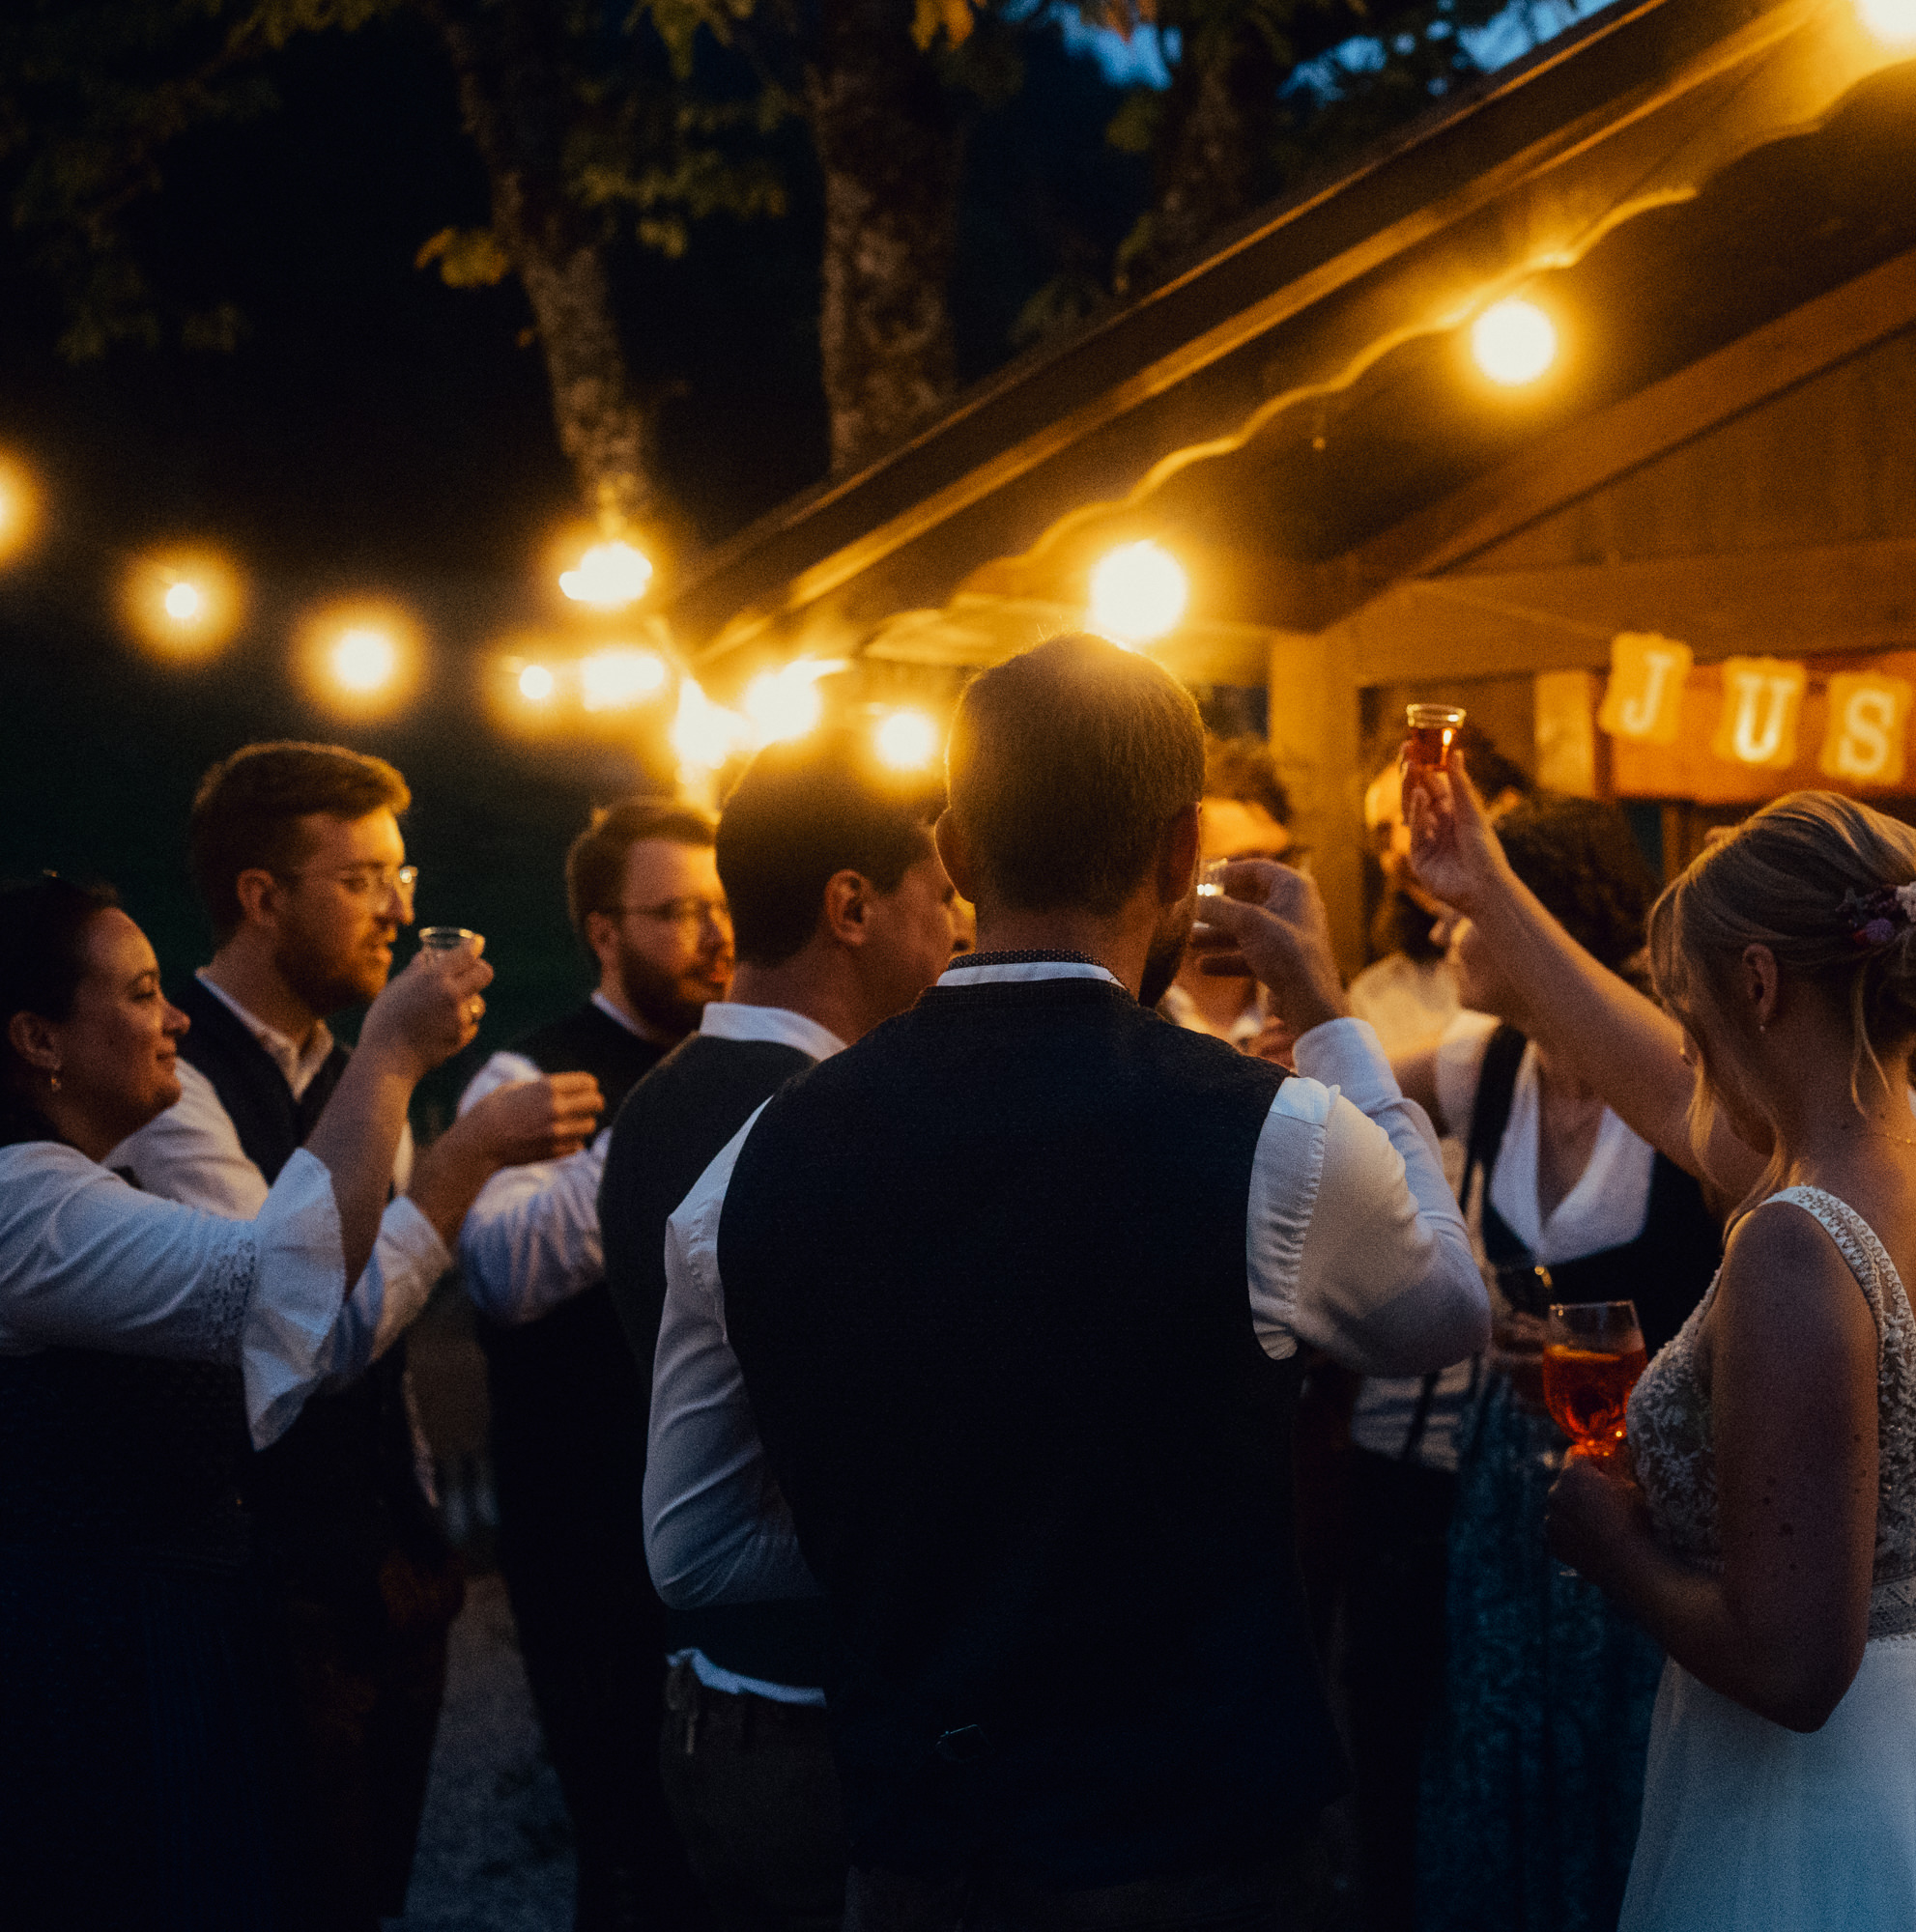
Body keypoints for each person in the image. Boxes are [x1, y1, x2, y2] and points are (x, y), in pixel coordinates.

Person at [663, 633, 1490, 1928]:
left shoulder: (751, 1160)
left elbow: (696, 1547)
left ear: (956, 852)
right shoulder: (1274, 1132)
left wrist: (924, 1553)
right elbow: (1448, 1311)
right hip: (1203, 1844)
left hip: (925, 1850)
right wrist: (1330, 1016)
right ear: (1178, 852)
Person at [1407, 771, 1916, 1927]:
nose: (1686, 1048)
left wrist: (1612, 1542)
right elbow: (1667, 1095)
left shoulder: (1796, 1239)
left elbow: (1796, 1668)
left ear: (1756, 983)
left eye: (1687, 1008)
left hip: (1833, 1815)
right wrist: (1490, 890)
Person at [108, 739, 602, 1929]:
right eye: (361, 877)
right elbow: (302, 1334)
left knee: (372, 1892)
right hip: (268, 1582)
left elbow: (386, 1325)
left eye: (402, 875)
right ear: (261, 895)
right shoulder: (176, 1080)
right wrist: (463, 1160)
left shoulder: (353, 1063)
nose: (397, 908)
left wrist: (418, 1506)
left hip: (388, 1561)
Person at [0, 873, 494, 1928]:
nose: (175, 1018)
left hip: (164, 1632)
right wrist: (391, 1056)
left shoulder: (82, 1184)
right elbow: (282, 1282)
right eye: (141, 993)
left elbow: (294, 1335)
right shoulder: (21, 1203)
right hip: (95, 1653)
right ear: (38, 1040)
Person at [610, 734, 953, 1931]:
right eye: (939, 894)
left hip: (709, 1692)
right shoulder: (830, 1123)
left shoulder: (656, 1098)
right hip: (826, 1711)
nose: (957, 927)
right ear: (851, 907)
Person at [1387, 795, 1721, 1932]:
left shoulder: (1680, 1073)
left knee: (1627, 1772)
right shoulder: (1485, 1062)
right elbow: (1339, 1097)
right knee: (1495, 1751)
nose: (1441, 933)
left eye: (1464, 909)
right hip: (1507, 1489)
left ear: (1539, 916)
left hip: (1655, 1495)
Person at [454, 797, 732, 1930]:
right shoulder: (528, 1074)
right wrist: (671, 1114)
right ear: (604, 931)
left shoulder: (770, 1062)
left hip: (720, 1516)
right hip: (589, 1533)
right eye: (678, 911)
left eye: (722, 905)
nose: (715, 934)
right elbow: (500, 1272)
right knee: (629, 1843)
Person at [1349, 726, 1528, 1058]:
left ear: (1507, 811)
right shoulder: (1376, 997)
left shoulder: (1578, 960)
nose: (1402, 848)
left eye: (1423, 814)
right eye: (1383, 833)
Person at [1160, 736, 1298, 1047]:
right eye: (1245, 866)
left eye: (1283, 863)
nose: (1273, 887)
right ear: (1179, 871)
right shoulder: (1131, 1013)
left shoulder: (1305, 1011)